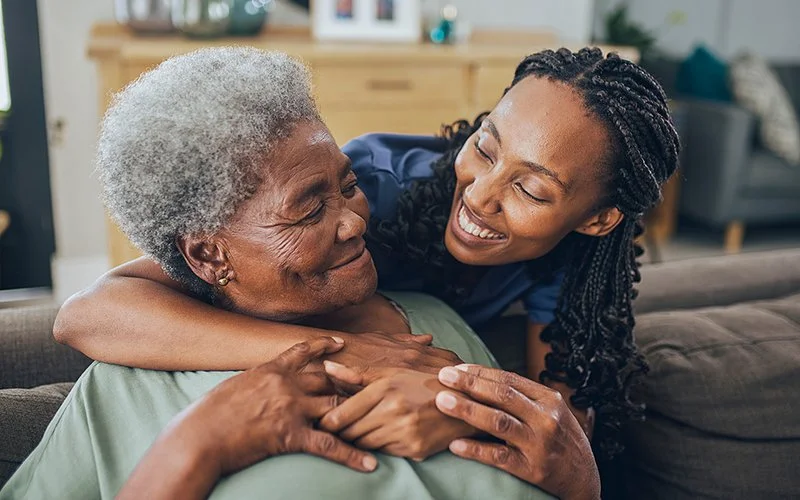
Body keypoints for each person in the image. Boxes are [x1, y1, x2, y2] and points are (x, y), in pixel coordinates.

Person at [0, 47, 584, 500]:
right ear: (209, 257)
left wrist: (567, 469)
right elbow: (82, 314)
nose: (354, 221)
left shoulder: (434, 320)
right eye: (307, 211)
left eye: (349, 186)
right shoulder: (123, 387)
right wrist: (196, 445)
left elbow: (559, 471)